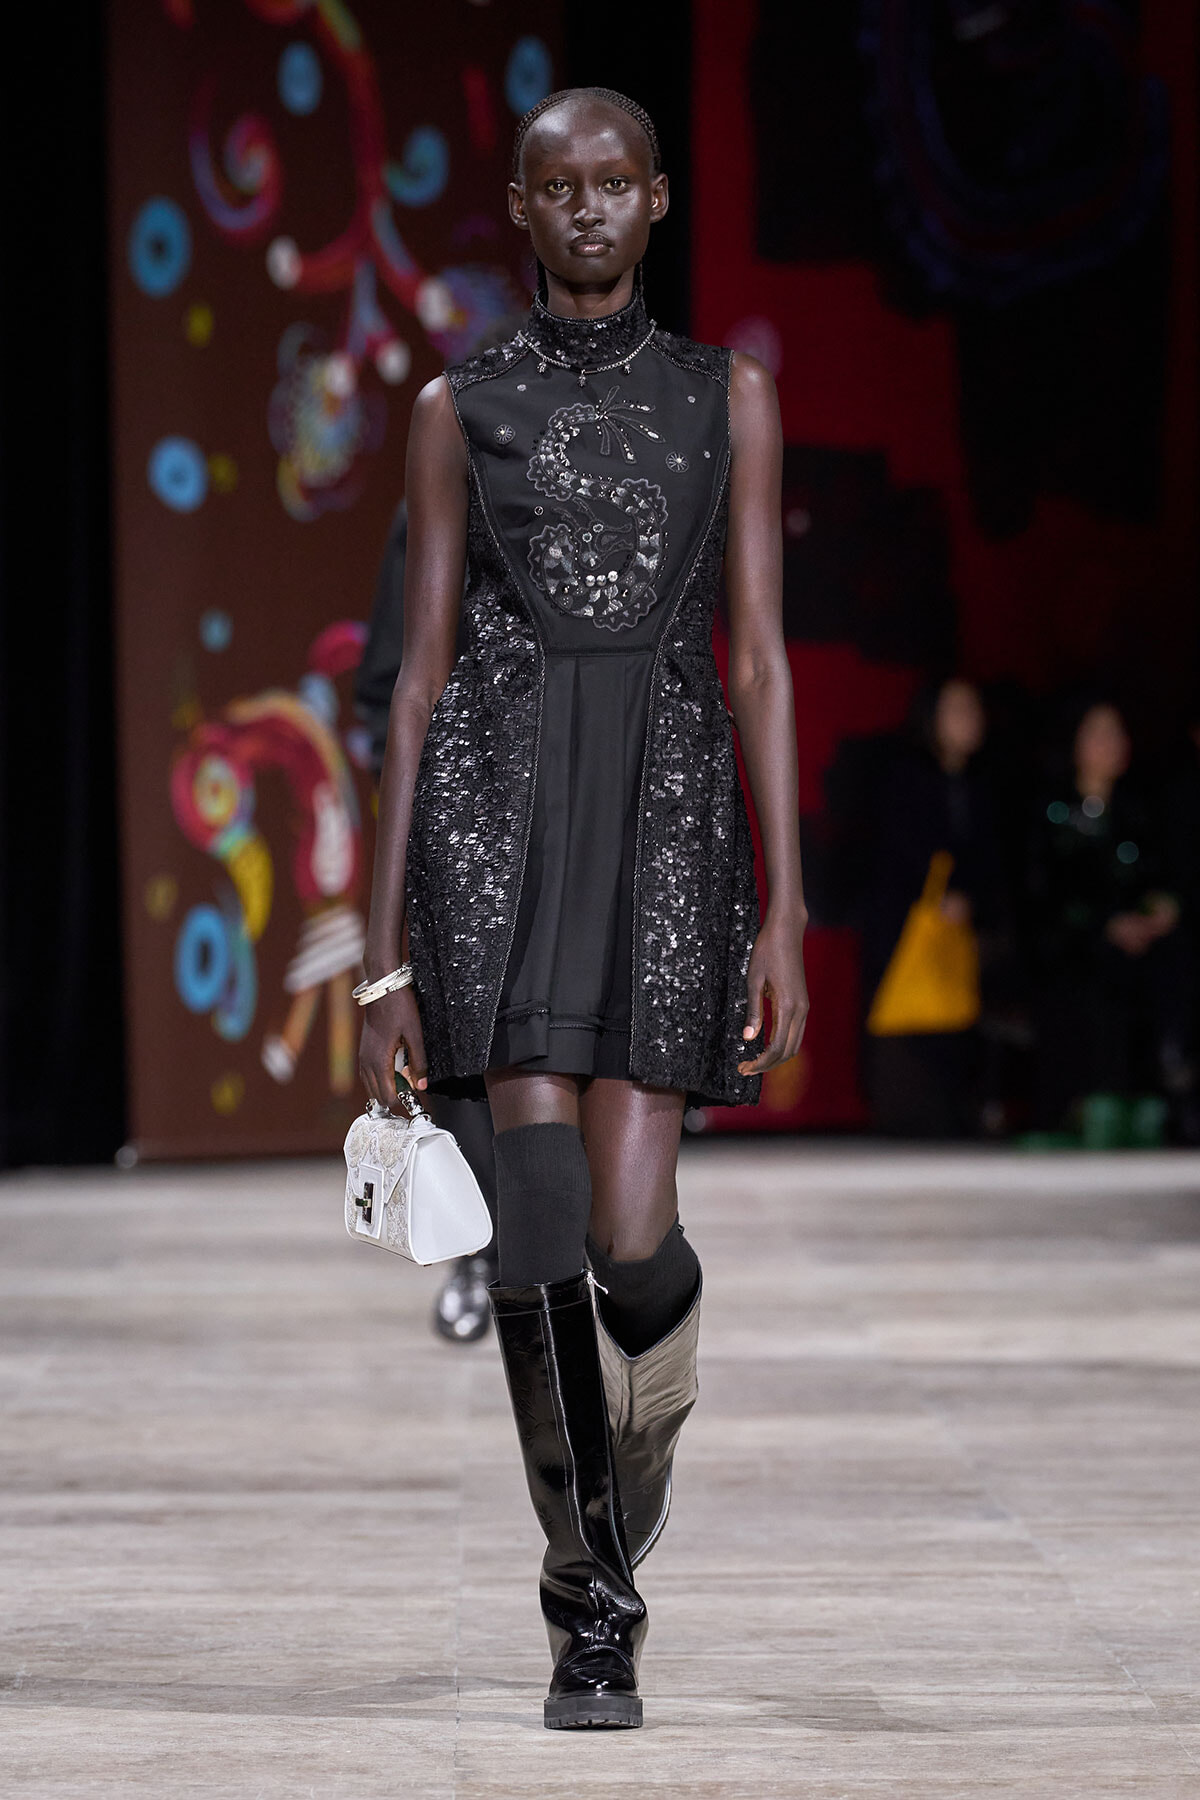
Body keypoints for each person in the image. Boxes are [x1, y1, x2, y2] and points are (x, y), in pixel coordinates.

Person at [357, 87, 808, 1730]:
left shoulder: (725, 397)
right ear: (524, 210)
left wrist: (787, 912)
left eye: (621, 182)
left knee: (629, 1258)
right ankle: (590, 1609)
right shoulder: (453, 404)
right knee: (538, 1241)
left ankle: (647, 1420)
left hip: (670, 823)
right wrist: (381, 960)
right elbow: (410, 687)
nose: (596, 208)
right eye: (566, 187)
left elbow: (757, 658)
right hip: (496, 832)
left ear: (661, 198)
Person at [1025, 699, 1190, 1142]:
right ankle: (1079, 1109)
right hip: (1070, 945)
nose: (1110, 744)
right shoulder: (1050, 810)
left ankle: (1164, 1099)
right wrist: (1104, 924)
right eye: (1097, 733)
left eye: (1117, 734)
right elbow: (1043, 895)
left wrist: (1159, 910)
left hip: (1138, 944)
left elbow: (1158, 879)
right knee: (1092, 975)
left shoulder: (1141, 811)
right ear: (1075, 743)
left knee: (1170, 966)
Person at [862, 678, 1005, 1136]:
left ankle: (961, 1115)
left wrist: (971, 897)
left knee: (962, 1025)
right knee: (906, 1025)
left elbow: (993, 859)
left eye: (974, 708)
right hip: (907, 925)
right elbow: (895, 847)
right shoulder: (905, 774)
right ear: (931, 718)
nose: (970, 719)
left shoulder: (987, 781)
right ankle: (904, 1118)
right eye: (956, 709)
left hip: (963, 929)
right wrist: (938, 891)